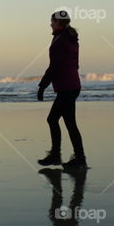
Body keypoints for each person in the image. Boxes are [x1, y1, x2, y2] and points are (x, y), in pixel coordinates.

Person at [37, 10, 86, 170]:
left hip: (67, 87)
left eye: (52, 21)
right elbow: (75, 64)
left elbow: (55, 66)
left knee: (54, 120)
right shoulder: (71, 39)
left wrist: (42, 85)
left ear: (58, 23)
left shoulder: (61, 40)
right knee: (68, 123)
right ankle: (76, 158)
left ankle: (60, 156)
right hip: (72, 85)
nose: (50, 24)